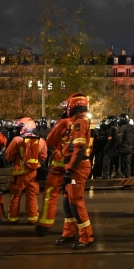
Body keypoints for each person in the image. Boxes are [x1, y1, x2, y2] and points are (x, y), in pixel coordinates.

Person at [58, 93, 95, 249]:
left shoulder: (80, 122)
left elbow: (79, 149)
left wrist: (70, 170)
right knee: (68, 201)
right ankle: (69, 233)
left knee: (75, 202)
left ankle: (86, 237)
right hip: (74, 166)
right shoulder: (80, 121)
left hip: (77, 168)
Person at [4, 117, 48, 224]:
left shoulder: (17, 140)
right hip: (34, 174)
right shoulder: (41, 141)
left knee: (15, 196)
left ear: (24, 128)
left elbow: (8, 156)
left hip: (19, 174)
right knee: (32, 196)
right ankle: (33, 218)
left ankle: (13, 218)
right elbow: (44, 157)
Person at [36, 112, 72, 237]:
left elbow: (50, 141)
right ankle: (75, 228)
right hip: (76, 165)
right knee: (74, 197)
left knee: (51, 193)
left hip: (59, 164)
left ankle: (45, 224)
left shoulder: (63, 122)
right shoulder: (85, 122)